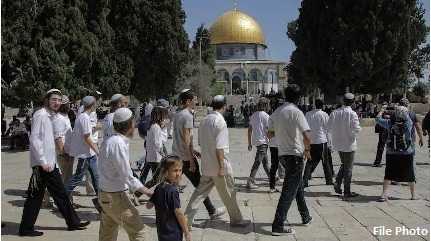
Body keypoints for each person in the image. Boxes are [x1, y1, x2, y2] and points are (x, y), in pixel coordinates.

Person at [19, 89, 90, 237]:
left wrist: (52, 163)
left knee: (53, 195)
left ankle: (72, 222)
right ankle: (27, 228)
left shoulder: (50, 116)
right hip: (43, 165)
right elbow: (35, 140)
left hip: (49, 164)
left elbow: (48, 143)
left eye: (59, 100)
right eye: (54, 99)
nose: (57, 102)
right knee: (40, 196)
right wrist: (43, 162)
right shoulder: (41, 115)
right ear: (46, 100)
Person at [150, 89, 225, 219]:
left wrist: (193, 151)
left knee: (168, 183)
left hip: (177, 154)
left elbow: (179, 137)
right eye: (194, 99)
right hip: (185, 157)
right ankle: (211, 211)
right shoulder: (188, 116)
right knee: (200, 186)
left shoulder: (178, 114)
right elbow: (186, 139)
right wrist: (191, 160)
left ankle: (156, 205)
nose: (196, 101)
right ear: (189, 101)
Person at [185, 95, 251, 228]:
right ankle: (236, 220)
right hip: (218, 166)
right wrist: (221, 167)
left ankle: (186, 220)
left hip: (207, 165)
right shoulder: (220, 122)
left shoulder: (204, 121)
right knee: (229, 193)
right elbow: (220, 147)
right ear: (224, 106)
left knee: (199, 194)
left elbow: (201, 143)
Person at [98, 107, 152, 241]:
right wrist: (148, 192)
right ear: (130, 125)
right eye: (133, 122)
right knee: (138, 232)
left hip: (105, 194)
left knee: (107, 235)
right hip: (116, 197)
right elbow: (127, 175)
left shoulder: (109, 141)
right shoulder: (117, 144)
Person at [269, 85, 312, 236]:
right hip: (295, 154)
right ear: (298, 98)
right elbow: (307, 136)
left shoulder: (277, 112)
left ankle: (305, 216)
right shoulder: (296, 112)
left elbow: (270, 132)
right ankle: (278, 225)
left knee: (297, 185)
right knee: (288, 191)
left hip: (283, 155)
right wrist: (307, 150)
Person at [375, 105, 417, 201]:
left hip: (391, 152)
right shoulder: (408, 123)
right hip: (407, 152)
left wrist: (382, 110)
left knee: (388, 174)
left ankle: (384, 194)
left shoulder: (389, 123)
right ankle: (413, 195)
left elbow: (377, 119)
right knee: (410, 174)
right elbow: (408, 116)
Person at [67, 96, 100, 209]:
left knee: (96, 177)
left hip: (90, 154)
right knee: (77, 178)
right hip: (85, 155)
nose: (96, 105)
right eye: (95, 103)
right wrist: (97, 150)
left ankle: (101, 201)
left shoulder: (83, 116)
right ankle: (62, 197)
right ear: (92, 104)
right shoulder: (84, 118)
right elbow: (87, 137)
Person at [148, 156, 191, 241]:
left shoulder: (159, 187)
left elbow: (148, 205)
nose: (178, 174)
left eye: (180, 170)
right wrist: (186, 232)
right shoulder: (173, 191)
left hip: (162, 232)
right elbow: (178, 213)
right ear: (166, 172)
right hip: (173, 233)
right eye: (175, 171)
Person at [327, 93, 361, 200]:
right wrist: (358, 130)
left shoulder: (334, 113)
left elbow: (328, 128)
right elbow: (356, 128)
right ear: (352, 102)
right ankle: (347, 191)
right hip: (349, 144)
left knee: (344, 164)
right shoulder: (352, 114)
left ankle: (337, 182)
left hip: (338, 144)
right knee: (348, 168)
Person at [303, 99, 333, 187]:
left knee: (309, 161)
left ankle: (305, 180)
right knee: (325, 162)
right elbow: (327, 129)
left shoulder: (308, 114)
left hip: (311, 140)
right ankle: (329, 180)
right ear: (322, 106)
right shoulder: (324, 114)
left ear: (315, 105)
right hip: (321, 141)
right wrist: (330, 143)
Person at [246, 97, 271, 189]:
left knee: (265, 162)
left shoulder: (253, 115)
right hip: (263, 142)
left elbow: (249, 130)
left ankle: (271, 177)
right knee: (258, 162)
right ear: (265, 105)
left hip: (257, 142)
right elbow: (269, 130)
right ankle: (250, 181)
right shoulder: (266, 116)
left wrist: (249, 143)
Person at [140, 106, 169, 184]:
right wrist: (162, 153)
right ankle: (139, 192)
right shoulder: (156, 127)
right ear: (159, 115)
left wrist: (163, 127)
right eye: (163, 115)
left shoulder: (152, 126)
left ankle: (140, 192)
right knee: (156, 180)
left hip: (152, 157)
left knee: (157, 179)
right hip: (156, 158)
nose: (164, 117)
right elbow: (158, 143)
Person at [373, 102, 389, 167]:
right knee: (381, 147)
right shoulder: (380, 112)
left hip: (385, 132)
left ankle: (377, 162)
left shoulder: (383, 112)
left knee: (382, 147)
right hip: (384, 132)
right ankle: (377, 162)